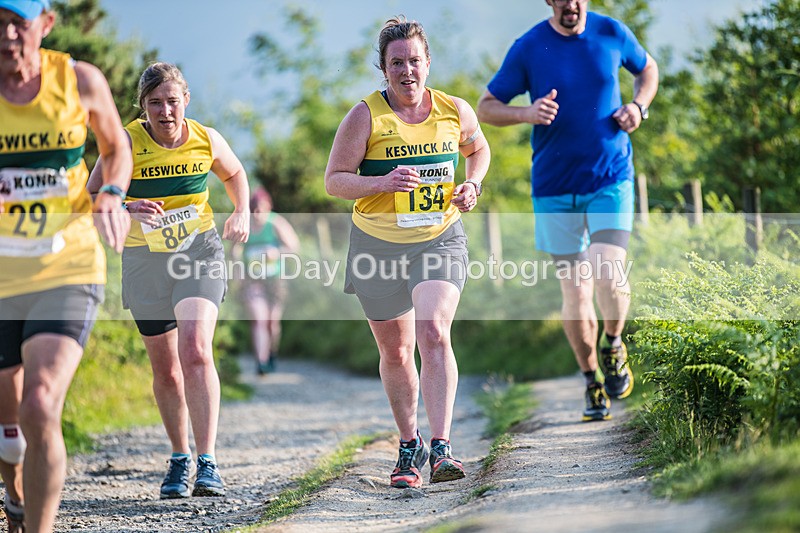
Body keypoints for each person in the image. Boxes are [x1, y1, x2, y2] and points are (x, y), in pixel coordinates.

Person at [325, 16, 490, 489]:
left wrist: (472, 183)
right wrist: (381, 182)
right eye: (397, 62)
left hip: (440, 236)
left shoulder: (454, 109)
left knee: (433, 332)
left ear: (428, 62)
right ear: (384, 67)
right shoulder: (365, 116)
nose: (407, 71)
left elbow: (479, 150)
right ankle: (408, 443)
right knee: (396, 351)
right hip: (377, 244)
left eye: (414, 61)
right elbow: (334, 180)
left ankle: (441, 447)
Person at [477, 0, 658, 421]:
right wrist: (526, 112)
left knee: (609, 273)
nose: (571, 4)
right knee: (576, 293)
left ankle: (613, 343)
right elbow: (487, 106)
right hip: (554, 189)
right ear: (549, 1)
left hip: (610, 179)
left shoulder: (612, 32)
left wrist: (638, 107)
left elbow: (647, 70)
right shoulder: (529, 47)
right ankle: (592, 381)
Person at [87, 62, 250, 499]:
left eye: (172, 101)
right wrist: (126, 209)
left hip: (199, 252)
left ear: (186, 101)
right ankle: (180, 457)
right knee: (167, 370)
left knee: (195, 349)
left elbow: (234, 174)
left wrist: (241, 210)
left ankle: (208, 461)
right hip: (144, 260)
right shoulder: (124, 143)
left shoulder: (206, 138)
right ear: (142, 108)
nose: (165, 111)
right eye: (155, 103)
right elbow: (91, 199)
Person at [0, 0, 132, 530]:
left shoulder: (78, 80)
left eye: (18, 22)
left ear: (46, 25)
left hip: (67, 265)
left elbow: (115, 145)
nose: (8, 35)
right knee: (8, 423)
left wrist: (111, 194)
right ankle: (13, 487)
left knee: (39, 403)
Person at [238, 187, 299, 375]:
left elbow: (294, 247)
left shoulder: (276, 223)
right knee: (259, 319)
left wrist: (277, 252)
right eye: (254, 210)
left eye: (262, 209)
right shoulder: (245, 224)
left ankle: (272, 353)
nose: (258, 214)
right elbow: (235, 251)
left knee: (272, 322)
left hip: (275, 279)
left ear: (269, 208)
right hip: (253, 280)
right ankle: (261, 362)